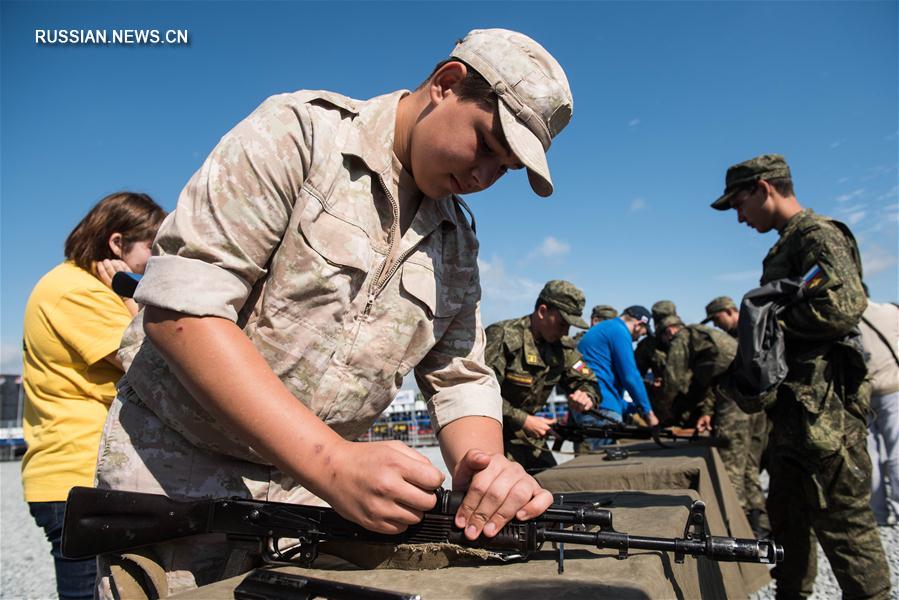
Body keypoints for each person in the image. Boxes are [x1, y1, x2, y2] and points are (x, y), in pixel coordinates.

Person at [94, 28, 574, 598]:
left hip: (312, 511)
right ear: (447, 85)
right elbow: (182, 312)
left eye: (506, 171)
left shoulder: (457, 241)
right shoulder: (301, 136)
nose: (484, 178)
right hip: (177, 483)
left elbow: (459, 376)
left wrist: (485, 467)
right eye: (488, 146)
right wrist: (332, 463)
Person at [711, 154, 890, 599]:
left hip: (826, 420)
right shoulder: (788, 243)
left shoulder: (816, 235)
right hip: (794, 416)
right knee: (789, 528)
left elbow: (843, 305)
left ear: (764, 188)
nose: (739, 216)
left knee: (846, 530)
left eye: (739, 202)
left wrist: (771, 331)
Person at [21, 192, 165, 600]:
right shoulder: (75, 291)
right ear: (117, 243)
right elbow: (154, 358)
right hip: (78, 475)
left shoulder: (78, 285)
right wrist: (129, 294)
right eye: (153, 246)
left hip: (79, 475)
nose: (157, 259)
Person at [655, 315, 768, 534]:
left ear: (669, 331)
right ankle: (759, 525)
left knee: (730, 467)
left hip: (734, 399)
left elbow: (673, 379)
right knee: (748, 466)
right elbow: (712, 379)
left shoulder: (683, 338)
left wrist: (663, 414)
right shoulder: (706, 338)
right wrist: (707, 411)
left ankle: (734, 530)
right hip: (753, 394)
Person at [484, 280, 599, 472]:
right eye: (562, 323)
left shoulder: (562, 348)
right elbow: (480, 391)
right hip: (494, 435)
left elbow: (587, 380)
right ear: (542, 311)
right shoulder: (504, 336)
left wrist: (586, 396)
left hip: (527, 437)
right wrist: (524, 420)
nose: (566, 332)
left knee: (553, 486)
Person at [574, 306, 660, 449]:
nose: (637, 339)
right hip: (601, 413)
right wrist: (649, 414)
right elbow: (630, 376)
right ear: (638, 325)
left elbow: (605, 382)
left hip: (593, 407)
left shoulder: (605, 329)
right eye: (642, 334)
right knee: (603, 466)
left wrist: (630, 408)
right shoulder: (619, 331)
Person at [859, 294, 899, 526]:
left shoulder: (846, 320)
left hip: (863, 393)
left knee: (870, 455)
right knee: (896, 452)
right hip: (892, 389)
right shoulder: (889, 312)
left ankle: (878, 512)